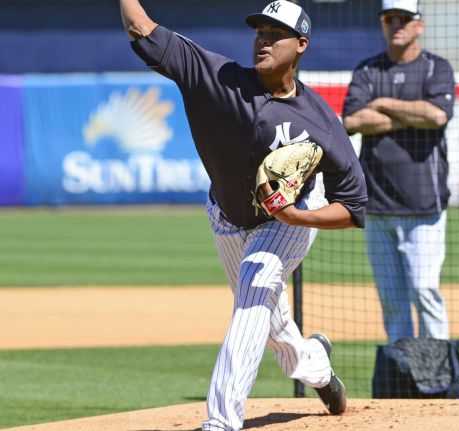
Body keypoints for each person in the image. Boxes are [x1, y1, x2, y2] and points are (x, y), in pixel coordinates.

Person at [119, 1, 368, 429]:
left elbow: (353, 207)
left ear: (301, 45)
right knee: (273, 325)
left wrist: (297, 218)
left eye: (276, 34)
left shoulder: (322, 122)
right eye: (260, 32)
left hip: (287, 223)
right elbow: (141, 28)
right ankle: (316, 367)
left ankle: (221, 421)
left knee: (253, 291)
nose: (263, 40)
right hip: (226, 216)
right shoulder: (217, 78)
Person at [342, 0, 455, 344]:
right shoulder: (367, 70)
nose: (397, 25)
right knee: (392, 302)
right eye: (390, 18)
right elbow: (351, 121)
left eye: (404, 19)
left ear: (419, 24)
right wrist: (411, 114)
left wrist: (384, 104)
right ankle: (402, 372)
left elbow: (437, 116)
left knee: (424, 291)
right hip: (376, 204)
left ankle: (438, 374)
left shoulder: (437, 68)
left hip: (424, 204)